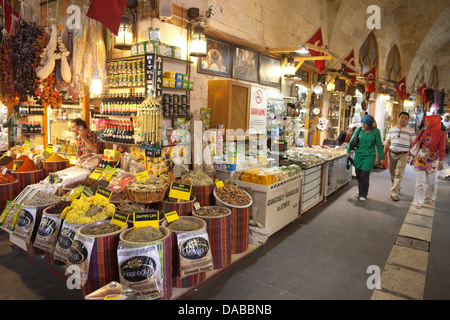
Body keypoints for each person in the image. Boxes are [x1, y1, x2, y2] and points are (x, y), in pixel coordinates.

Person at [407, 115, 446, 209]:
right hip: (421, 158)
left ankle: (428, 196)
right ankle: (419, 201)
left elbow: (442, 148)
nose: (426, 123)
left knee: (432, 182)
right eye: (426, 121)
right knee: (419, 182)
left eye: (428, 121)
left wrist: (441, 161)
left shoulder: (441, 134)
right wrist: (409, 155)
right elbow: (414, 144)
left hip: (433, 160)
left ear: (434, 122)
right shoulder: (422, 132)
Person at [347, 115, 384, 202]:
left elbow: (379, 145)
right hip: (358, 155)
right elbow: (351, 141)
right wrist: (348, 152)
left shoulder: (376, 131)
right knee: (358, 174)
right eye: (362, 123)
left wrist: (382, 157)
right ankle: (361, 189)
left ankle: (363, 194)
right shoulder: (359, 129)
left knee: (364, 174)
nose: (363, 125)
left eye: (365, 123)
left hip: (369, 156)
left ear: (369, 124)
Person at [383, 112, 416, 201]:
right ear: (398, 118)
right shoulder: (392, 129)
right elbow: (388, 142)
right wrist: (383, 155)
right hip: (392, 153)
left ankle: (394, 192)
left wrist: (412, 156)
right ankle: (397, 186)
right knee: (392, 173)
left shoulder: (411, 130)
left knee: (399, 174)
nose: (403, 119)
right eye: (402, 117)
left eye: (406, 118)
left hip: (404, 154)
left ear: (408, 120)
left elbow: (413, 144)